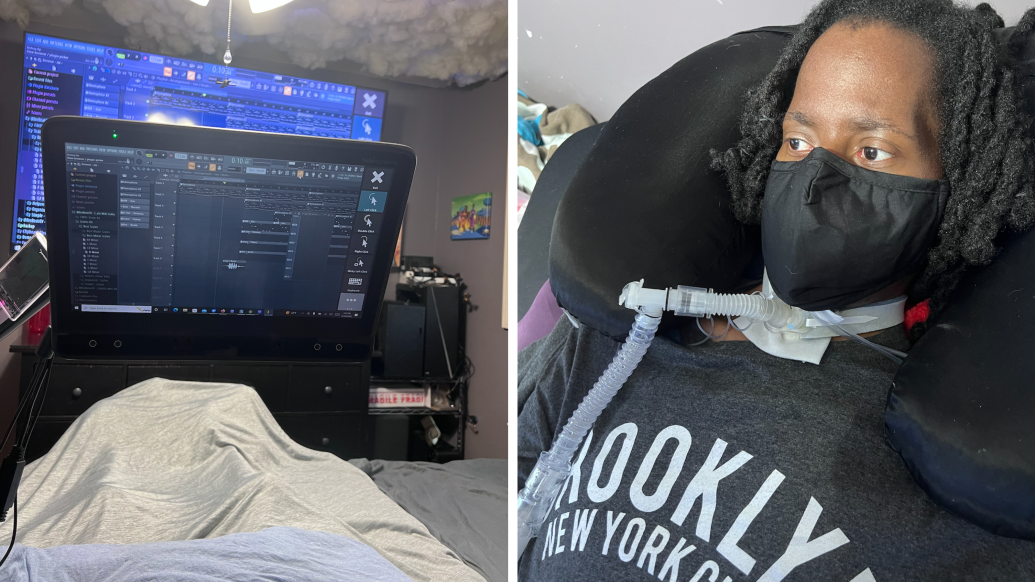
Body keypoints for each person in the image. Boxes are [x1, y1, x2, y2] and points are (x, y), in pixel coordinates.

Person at [518, 1, 1035, 580]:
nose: (812, 181)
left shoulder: (969, 465)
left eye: (872, 150)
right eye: (797, 140)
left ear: (958, 185)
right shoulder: (623, 326)